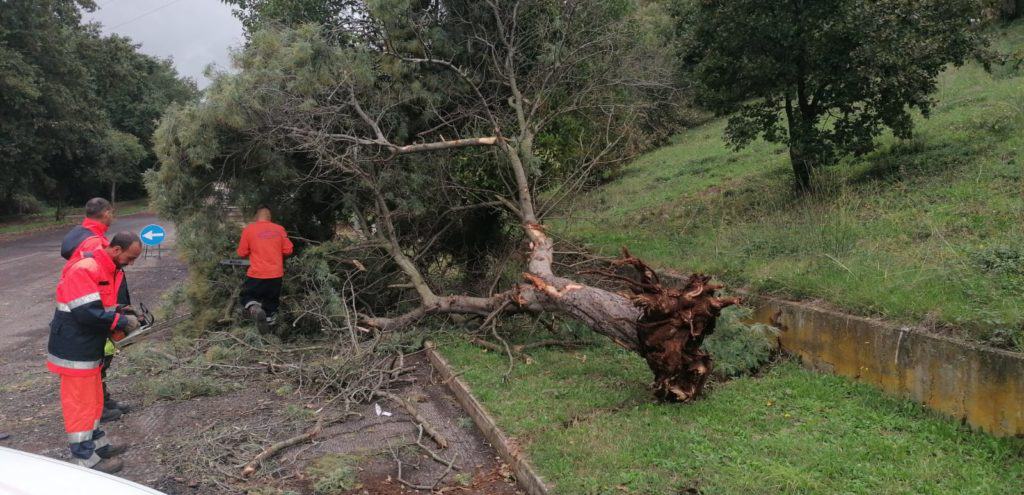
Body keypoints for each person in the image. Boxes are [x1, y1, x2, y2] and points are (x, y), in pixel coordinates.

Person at [48, 232, 142, 473]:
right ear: (116, 250)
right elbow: (86, 313)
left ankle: (98, 446)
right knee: (80, 404)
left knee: (94, 401)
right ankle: (84, 459)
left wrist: (121, 310)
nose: (130, 263)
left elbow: (99, 306)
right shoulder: (86, 269)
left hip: (87, 346)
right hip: (74, 349)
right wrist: (121, 321)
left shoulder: (106, 268)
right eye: (130, 258)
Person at [61, 198, 133, 422]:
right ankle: (99, 405)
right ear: (106, 212)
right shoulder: (94, 244)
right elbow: (104, 282)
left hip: (94, 309)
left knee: (101, 355)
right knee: (100, 356)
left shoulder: (81, 235)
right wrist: (116, 314)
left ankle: (103, 399)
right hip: (96, 312)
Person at [236, 205, 293, 332]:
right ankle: (269, 336)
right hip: (276, 276)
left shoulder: (249, 229)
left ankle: (255, 309)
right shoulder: (279, 229)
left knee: (247, 296)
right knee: (271, 305)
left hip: (256, 275)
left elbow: (241, 253)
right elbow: (288, 250)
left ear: (257, 216)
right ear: (269, 217)